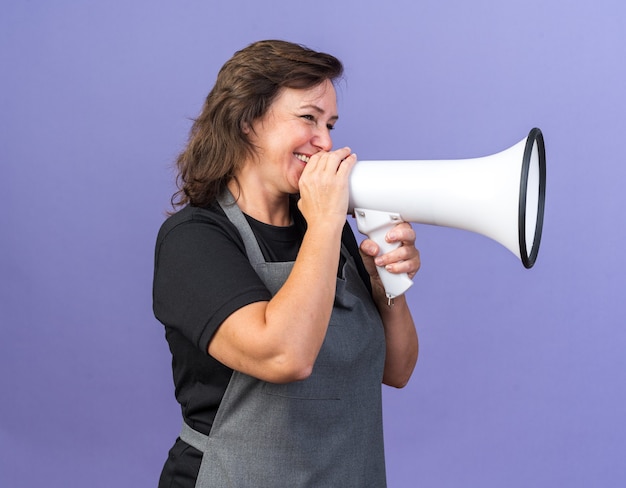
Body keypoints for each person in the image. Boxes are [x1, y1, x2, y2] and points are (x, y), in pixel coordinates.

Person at [153, 39, 421, 488]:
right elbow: (285, 356)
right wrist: (325, 225)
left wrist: (385, 283)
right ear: (246, 121)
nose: (326, 142)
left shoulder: (327, 230)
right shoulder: (194, 239)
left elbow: (397, 370)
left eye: (331, 124)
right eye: (308, 118)